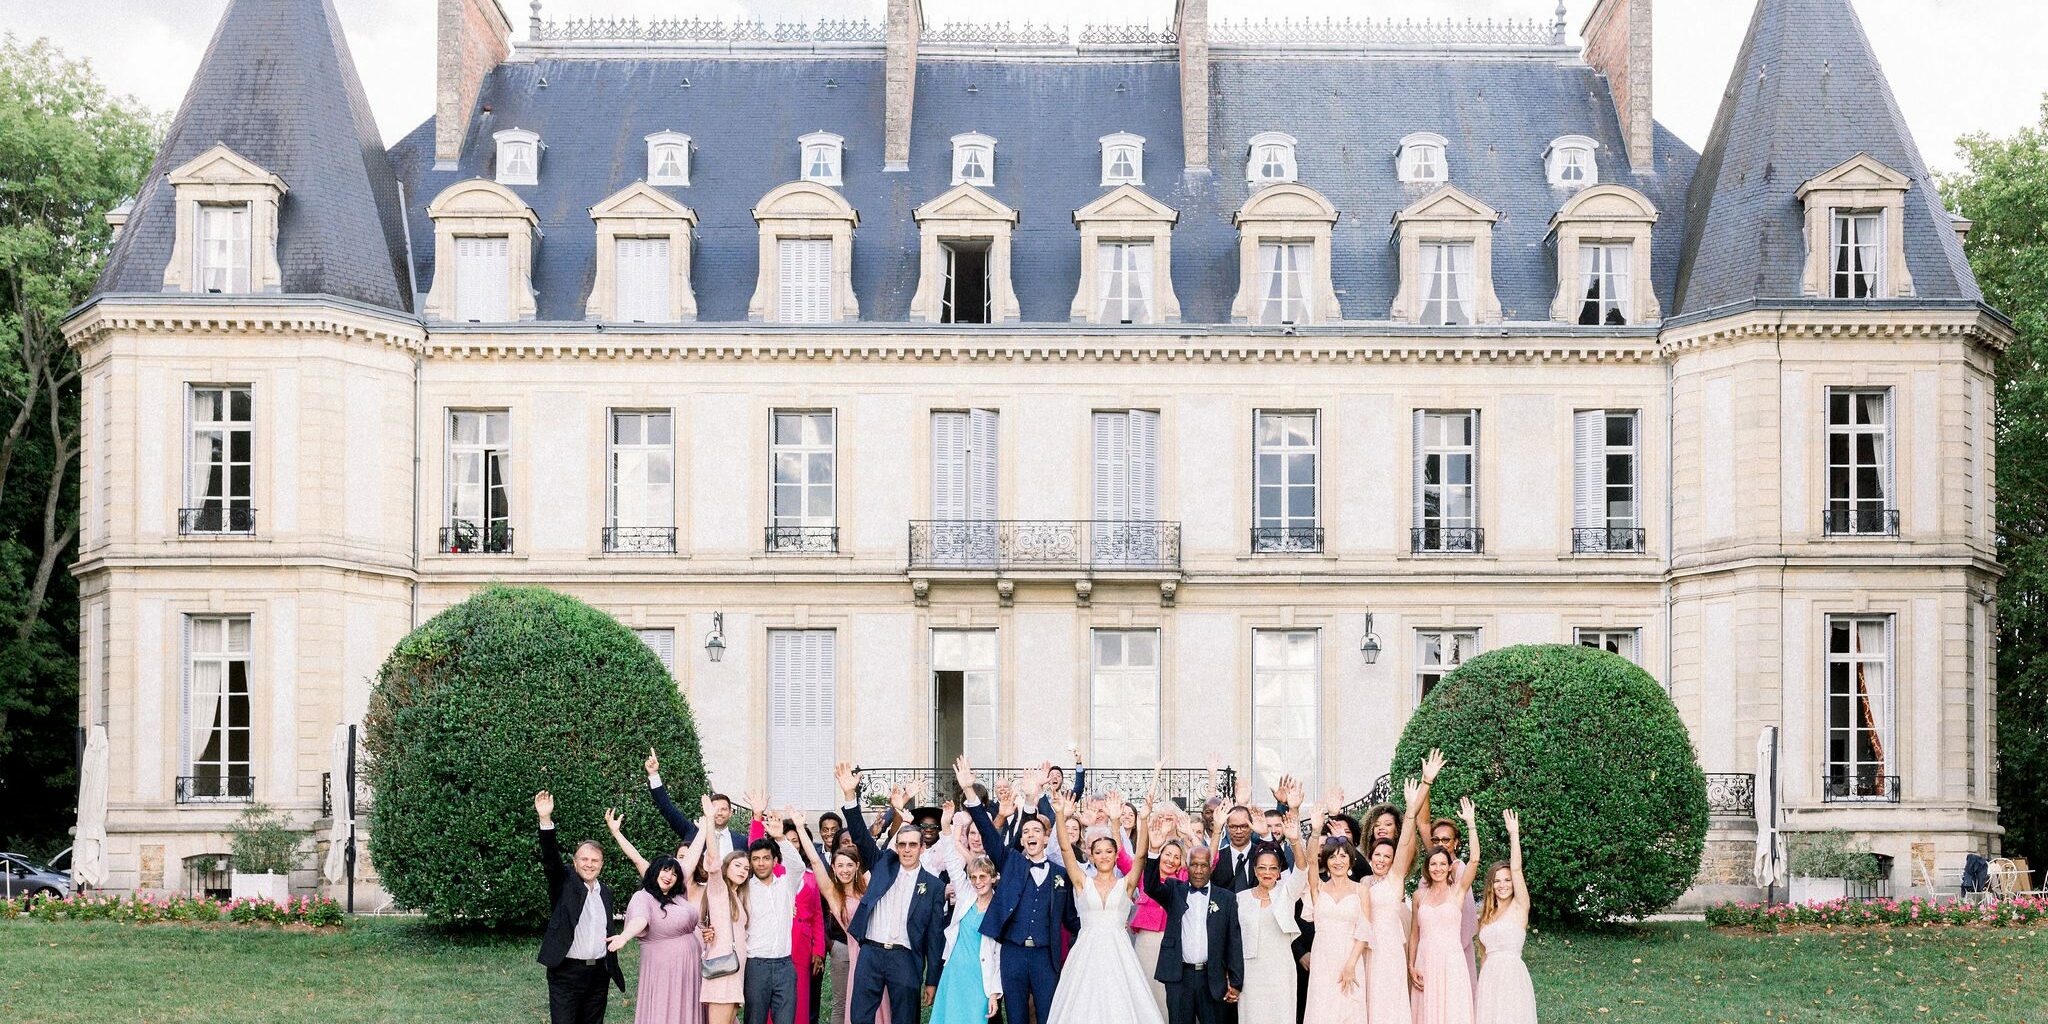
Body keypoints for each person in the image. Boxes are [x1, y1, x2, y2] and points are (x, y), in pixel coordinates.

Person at [959, 757, 1077, 1024]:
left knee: (1048, 1015)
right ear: (1022, 840)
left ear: (1046, 838)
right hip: (1013, 953)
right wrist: (968, 791)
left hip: (1045, 956)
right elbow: (988, 833)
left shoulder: (1061, 874)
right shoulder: (1011, 863)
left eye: (1037, 831)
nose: (1031, 835)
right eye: (1026, 832)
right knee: (1016, 1016)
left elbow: (1071, 919)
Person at [832, 765, 950, 1024]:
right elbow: (860, 836)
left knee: (905, 1019)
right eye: (902, 844)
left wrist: (932, 980)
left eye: (913, 845)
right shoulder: (882, 864)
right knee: (860, 1018)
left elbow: (934, 936)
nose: (907, 849)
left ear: (921, 848)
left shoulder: (934, 886)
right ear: (896, 846)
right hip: (871, 954)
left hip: (905, 959)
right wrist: (850, 796)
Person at [1046, 784, 1161, 1024]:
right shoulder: (1082, 881)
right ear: (1091, 855)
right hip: (1086, 952)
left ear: (1116, 854)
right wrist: (1059, 814)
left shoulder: (1126, 884)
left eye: (1109, 851)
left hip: (1119, 953)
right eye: (1098, 852)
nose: (1104, 856)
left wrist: (1144, 819)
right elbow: (1066, 849)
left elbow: (1141, 856)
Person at [603, 808, 708, 1024]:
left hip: (689, 966)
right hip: (664, 969)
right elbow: (640, 920)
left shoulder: (678, 893)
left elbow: (692, 856)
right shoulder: (644, 897)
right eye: (665, 870)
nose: (669, 876)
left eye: (674, 873)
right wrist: (624, 936)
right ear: (654, 871)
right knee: (665, 1010)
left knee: (686, 1009)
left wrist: (704, 830)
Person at [533, 790, 626, 1024]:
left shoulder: (605, 892)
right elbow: (551, 859)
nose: (589, 865)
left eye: (595, 861)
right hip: (566, 973)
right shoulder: (564, 883)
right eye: (584, 859)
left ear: (602, 865)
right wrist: (545, 819)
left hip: (598, 975)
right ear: (574, 862)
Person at [1142, 811, 1242, 1024]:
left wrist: (1235, 981)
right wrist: (1153, 851)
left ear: (1211, 867)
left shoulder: (1226, 899)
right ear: (1186, 866)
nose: (1198, 870)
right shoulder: (1174, 889)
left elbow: (1233, 941)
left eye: (1203, 865)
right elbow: (1150, 886)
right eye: (1194, 864)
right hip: (1179, 978)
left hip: (1212, 978)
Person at [1366, 751, 1442, 1024]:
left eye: (1386, 856)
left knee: (1391, 997)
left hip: (1391, 936)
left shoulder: (1397, 870)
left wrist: (1425, 785)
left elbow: (1413, 827)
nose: (1381, 859)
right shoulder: (1363, 877)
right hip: (1367, 943)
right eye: (1377, 855)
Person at [1233, 788, 1307, 1024]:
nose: (1267, 872)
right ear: (1255, 871)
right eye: (1262, 868)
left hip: (1280, 972)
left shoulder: (1286, 893)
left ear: (1278, 872)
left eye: (1273, 868)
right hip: (1251, 974)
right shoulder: (1241, 898)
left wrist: (1295, 840)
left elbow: (1302, 870)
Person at [751, 806, 830, 1024]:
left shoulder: (810, 875)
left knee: (798, 1000)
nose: (792, 843)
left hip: (801, 946)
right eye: (787, 840)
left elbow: (818, 915)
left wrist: (819, 949)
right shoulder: (771, 873)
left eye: (795, 840)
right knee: (769, 1006)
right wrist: (757, 820)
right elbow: (754, 853)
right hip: (774, 944)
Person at [796, 815, 876, 1024]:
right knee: (843, 1003)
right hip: (849, 949)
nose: (845, 870)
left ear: (857, 866)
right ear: (833, 868)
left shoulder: (868, 886)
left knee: (874, 1005)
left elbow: (880, 855)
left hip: (874, 953)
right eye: (840, 865)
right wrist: (800, 828)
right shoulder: (833, 895)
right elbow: (815, 860)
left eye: (849, 865)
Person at [1408, 797, 1480, 1024]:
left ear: (1450, 867)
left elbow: (1475, 860)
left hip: (1451, 959)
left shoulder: (1457, 891)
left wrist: (1471, 824)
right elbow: (1414, 934)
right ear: (1427, 868)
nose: (1437, 868)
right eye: (1433, 864)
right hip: (1425, 959)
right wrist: (1411, 965)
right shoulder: (1419, 896)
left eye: (1442, 864)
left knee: (1452, 1012)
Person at [931, 806, 1005, 1024]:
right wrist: (946, 826)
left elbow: (999, 955)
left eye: (983, 877)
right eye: (973, 877)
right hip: (955, 973)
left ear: (994, 878)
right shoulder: (965, 895)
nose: (977, 882)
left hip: (980, 978)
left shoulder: (1000, 908)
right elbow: (952, 862)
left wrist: (994, 993)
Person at [1299, 801, 1369, 1024]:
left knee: (1349, 1010)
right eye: (1332, 857)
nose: (1338, 861)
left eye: (1342, 856)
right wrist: (1316, 831)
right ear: (1326, 861)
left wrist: (1351, 964)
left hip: (1350, 957)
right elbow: (1311, 860)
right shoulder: (1318, 888)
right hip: (1323, 958)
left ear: (1350, 860)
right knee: (1322, 1011)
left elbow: (1364, 931)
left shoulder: (1361, 890)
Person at [1473, 811, 1536, 1024]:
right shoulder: (1486, 916)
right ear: (1491, 885)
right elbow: (1484, 956)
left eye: (1507, 880)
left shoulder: (1520, 907)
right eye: (1497, 881)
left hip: (1512, 976)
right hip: (1489, 979)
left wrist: (1514, 834)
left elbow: (1516, 869)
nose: (1503, 885)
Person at [700, 799, 755, 1024]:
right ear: (727, 867)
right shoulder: (718, 890)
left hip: (736, 970)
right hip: (723, 968)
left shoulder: (739, 896)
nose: (742, 871)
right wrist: (710, 821)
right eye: (737, 866)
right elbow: (713, 861)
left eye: (746, 868)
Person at [646, 748, 747, 860]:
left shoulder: (742, 842)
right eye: (714, 809)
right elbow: (667, 808)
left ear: (730, 813)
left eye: (723, 809)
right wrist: (654, 774)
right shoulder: (693, 832)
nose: (719, 813)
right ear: (707, 810)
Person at [1132, 826, 1188, 1020]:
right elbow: (1123, 857)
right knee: (1145, 986)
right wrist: (1153, 848)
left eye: (1176, 857)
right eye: (1167, 854)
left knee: (1166, 993)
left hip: (1172, 941)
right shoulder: (1144, 875)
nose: (1171, 860)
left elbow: (1209, 861)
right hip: (1146, 941)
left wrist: (1191, 835)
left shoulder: (1183, 880)